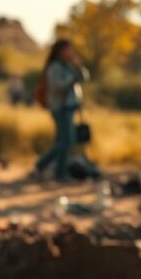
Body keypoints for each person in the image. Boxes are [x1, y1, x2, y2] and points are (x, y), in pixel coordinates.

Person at [32, 39, 89, 181]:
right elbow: (58, 86)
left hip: (70, 107)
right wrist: (73, 78)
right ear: (60, 51)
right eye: (67, 50)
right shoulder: (54, 67)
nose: (70, 53)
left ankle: (47, 167)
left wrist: (77, 66)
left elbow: (85, 77)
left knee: (64, 141)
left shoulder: (70, 66)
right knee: (66, 141)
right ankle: (57, 172)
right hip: (60, 108)